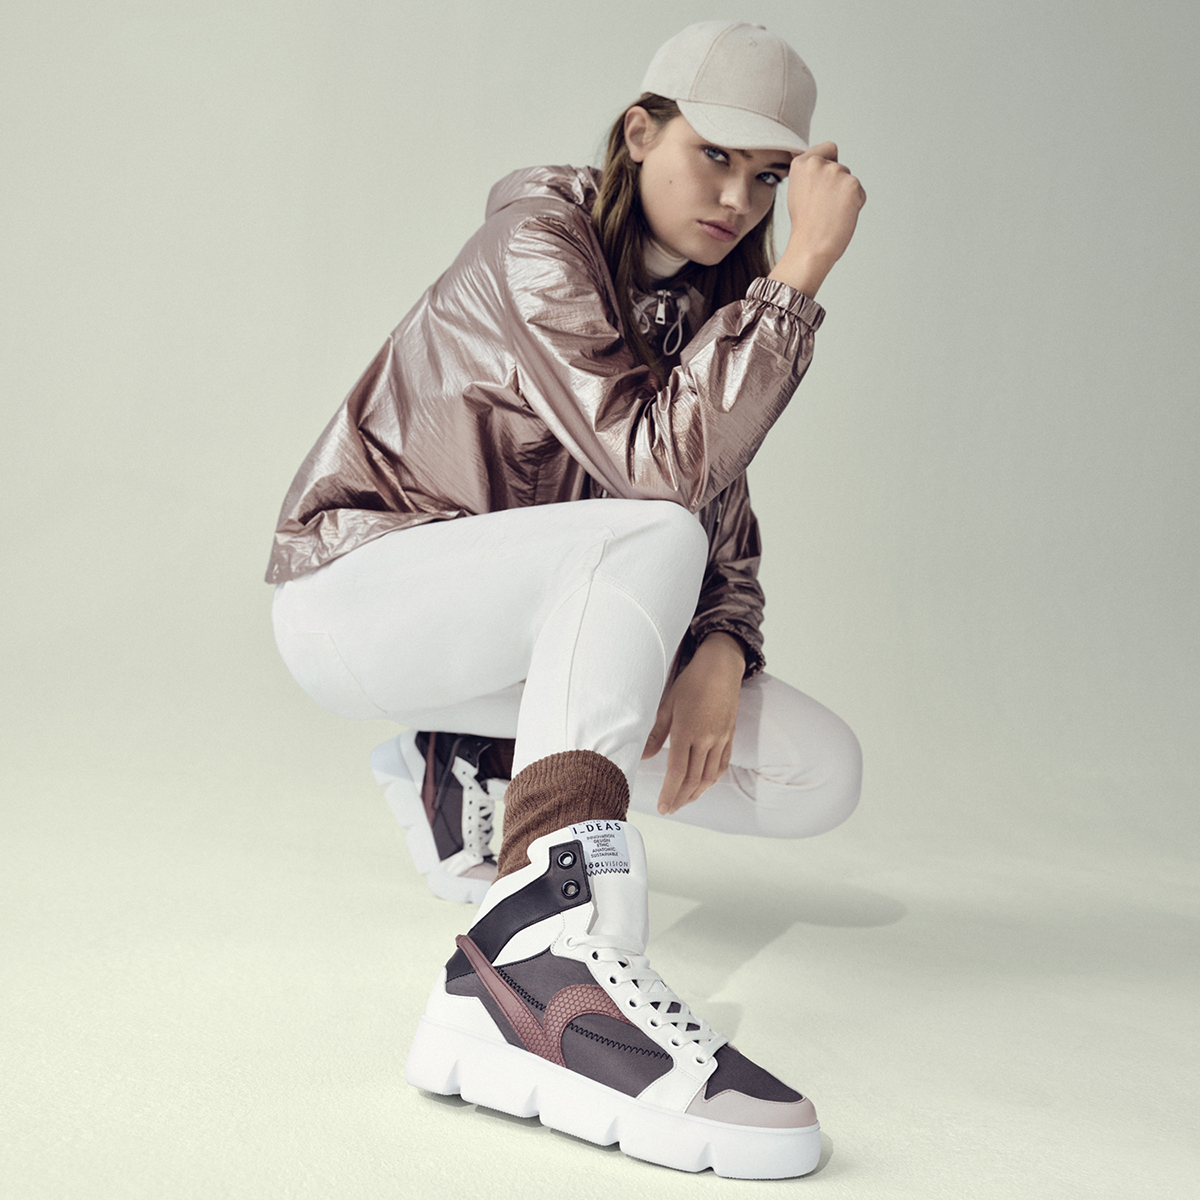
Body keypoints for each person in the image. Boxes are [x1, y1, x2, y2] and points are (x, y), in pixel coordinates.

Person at [267, 20, 865, 1180]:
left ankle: (470, 761)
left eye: (769, 178)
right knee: (652, 528)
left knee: (815, 772)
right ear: (639, 132)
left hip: (518, 625)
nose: (738, 199)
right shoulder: (536, 243)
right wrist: (800, 275)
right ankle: (537, 960)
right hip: (358, 593)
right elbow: (660, 471)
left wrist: (724, 642)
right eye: (715, 156)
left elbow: (717, 499)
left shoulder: (710, 302)